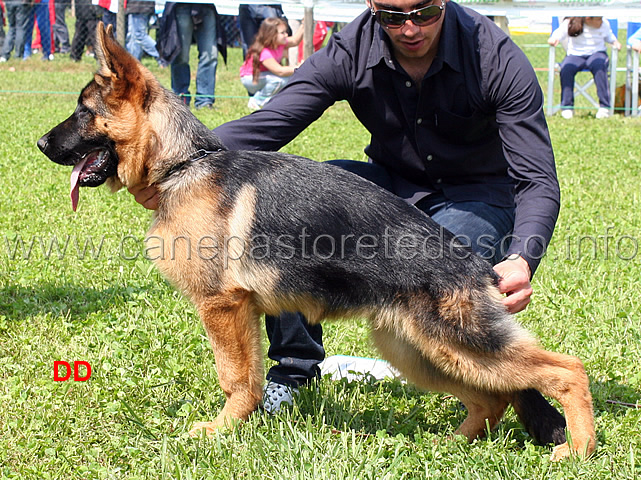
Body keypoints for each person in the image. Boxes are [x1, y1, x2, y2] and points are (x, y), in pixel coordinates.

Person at [130, 0, 561, 414]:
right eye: (393, 16)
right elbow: (274, 119)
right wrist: (181, 164)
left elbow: (538, 178)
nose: (410, 28)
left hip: (476, 196)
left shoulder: (496, 56)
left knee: (443, 298)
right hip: (391, 188)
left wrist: (523, 256)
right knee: (290, 210)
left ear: (444, 1)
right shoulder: (353, 47)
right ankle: (293, 374)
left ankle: (504, 382)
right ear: (373, 6)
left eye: (424, 12)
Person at [548, 16, 621, 119]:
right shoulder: (570, 22)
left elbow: (609, 36)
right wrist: (554, 39)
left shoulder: (604, 23)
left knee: (600, 67)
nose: (600, 21)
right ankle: (567, 107)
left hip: (597, 53)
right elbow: (559, 33)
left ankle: (604, 107)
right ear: (588, 19)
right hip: (575, 54)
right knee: (566, 69)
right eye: (598, 19)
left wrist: (615, 42)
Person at [158, 2, 225, 109]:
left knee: (210, 55)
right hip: (181, 5)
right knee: (181, 56)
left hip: (207, 6)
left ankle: (205, 100)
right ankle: (181, 99)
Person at [240, 17, 303, 110]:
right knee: (278, 80)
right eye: (282, 33)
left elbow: (295, 41)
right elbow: (280, 71)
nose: (286, 35)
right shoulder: (264, 51)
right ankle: (257, 101)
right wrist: (299, 67)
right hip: (250, 79)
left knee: (288, 79)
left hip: (263, 76)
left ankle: (273, 102)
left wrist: (304, 24)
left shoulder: (279, 43)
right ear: (271, 35)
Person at [125, 0, 162, 65]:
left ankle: (161, 55)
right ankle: (134, 63)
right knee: (133, 37)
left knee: (139, 35)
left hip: (139, 6)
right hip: (138, 6)